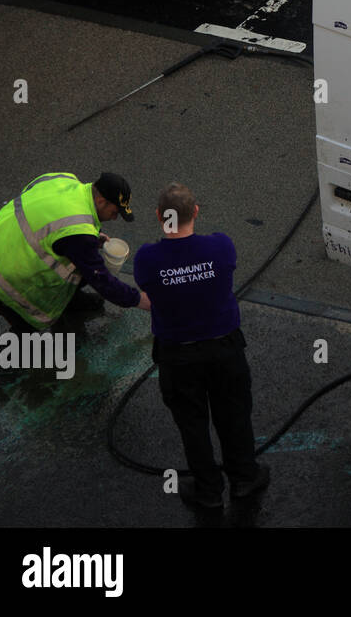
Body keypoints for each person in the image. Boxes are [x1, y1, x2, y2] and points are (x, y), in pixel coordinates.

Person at [133, 182, 269, 508]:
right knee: (234, 415)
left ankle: (208, 491)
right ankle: (244, 479)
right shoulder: (221, 247)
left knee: (192, 425)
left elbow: (148, 292)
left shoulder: (147, 259)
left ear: (158, 216)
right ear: (195, 212)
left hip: (177, 356)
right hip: (224, 350)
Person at [0, 172, 149, 332]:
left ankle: (69, 301)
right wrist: (139, 299)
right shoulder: (78, 233)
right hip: (0, 273)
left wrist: (89, 239)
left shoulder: (63, 180)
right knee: (29, 332)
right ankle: (9, 316)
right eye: (114, 211)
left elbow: (45, 219)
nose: (114, 217)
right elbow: (102, 280)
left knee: (80, 262)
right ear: (102, 201)